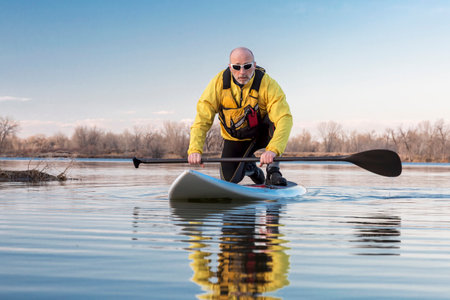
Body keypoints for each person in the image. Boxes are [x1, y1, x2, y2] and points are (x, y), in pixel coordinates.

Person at [187, 47, 293, 186]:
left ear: (254, 65)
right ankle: (251, 169)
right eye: (237, 67)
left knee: (277, 122)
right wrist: (195, 149)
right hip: (236, 138)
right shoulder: (217, 84)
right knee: (229, 180)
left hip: (263, 134)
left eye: (247, 66)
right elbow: (202, 119)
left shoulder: (268, 84)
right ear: (230, 67)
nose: (242, 72)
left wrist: (272, 151)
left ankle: (273, 171)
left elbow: (284, 118)